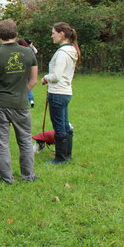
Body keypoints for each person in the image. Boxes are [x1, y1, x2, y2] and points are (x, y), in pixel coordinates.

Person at [0, 19, 38, 184]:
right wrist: (21, 93)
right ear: (16, 34)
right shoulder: (29, 53)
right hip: (21, 104)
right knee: (26, 141)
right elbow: (33, 80)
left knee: (1, 143)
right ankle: (28, 176)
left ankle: (6, 178)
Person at [41, 22, 80, 164]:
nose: (52, 36)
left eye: (53, 33)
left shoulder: (63, 53)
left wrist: (45, 78)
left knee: (59, 125)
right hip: (65, 92)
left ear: (61, 33)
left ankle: (60, 158)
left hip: (58, 93)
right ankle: (67, 155)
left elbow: (56, 75)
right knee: (64, 123)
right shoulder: (70, 50)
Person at [17, 39, 37, 107]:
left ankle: (22, 99)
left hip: (21, 71)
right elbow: (35, 51)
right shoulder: (30, 51)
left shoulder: (18, 52)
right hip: (29, 70)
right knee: (28, 84)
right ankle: (31, 100)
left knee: (22, 85)